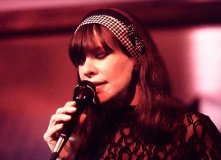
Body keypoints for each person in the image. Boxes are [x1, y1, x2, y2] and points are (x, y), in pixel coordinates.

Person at [43, 8, 221, 160]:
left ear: (135, 58)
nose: (86, 70)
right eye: (80, 60)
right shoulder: (87, 139)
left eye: (100, 55)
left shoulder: (192, 130)